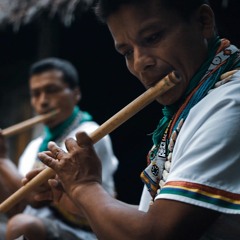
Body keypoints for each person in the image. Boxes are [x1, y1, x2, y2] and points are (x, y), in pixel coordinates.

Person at [29, 0, 240, 239]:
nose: (140, 62)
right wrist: (76, 196)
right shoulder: (190, 109)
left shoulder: (231, 102)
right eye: (127, 52)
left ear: (203, 21)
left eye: (152, 38)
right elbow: (148, 219)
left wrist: (84, 187)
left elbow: (156, 233)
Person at [0, 57, 119, 240]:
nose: (43, 101)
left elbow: (34, 197)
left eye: (51, 90)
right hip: (40, 226)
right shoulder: (33, 146)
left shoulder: (90, 135)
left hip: (83, 232)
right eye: (36, 94)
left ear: (76, 94)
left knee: (22, 226)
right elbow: (21, 204)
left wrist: (2, 159)